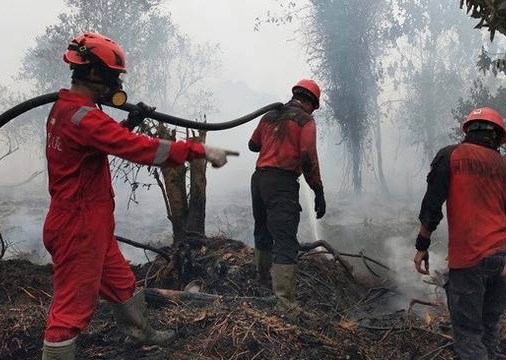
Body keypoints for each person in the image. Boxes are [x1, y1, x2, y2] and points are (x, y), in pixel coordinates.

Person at [42, 32, 236, 359]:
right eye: (113, 76)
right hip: (79, 227)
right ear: (94, 73)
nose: (116, 83)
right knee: (71, 310)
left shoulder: (69, 109)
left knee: (121, 283)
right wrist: (198, 149)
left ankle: (141, 335)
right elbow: (140, 149)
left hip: (89, 222)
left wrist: (130, 121)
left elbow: (100, 141)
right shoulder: (84, 117)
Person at [413, 107, 506, 360]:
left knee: (469, 335)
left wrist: (421, 244)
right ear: (498, 138)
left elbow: (432, 206)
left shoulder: (451, 155)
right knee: (489, 329)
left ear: (469, 130)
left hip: (470, 260)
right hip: (505, 260)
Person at [249, 79, 325, 312]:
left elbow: (253, 145)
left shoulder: (271, 115)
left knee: (262, 230)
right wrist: (318, 191)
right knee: (285, 240)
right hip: (281, 183)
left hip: (259, 180)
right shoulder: (306, 121)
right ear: (311, 102)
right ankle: (284, 303)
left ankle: (261, 283)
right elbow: (307, 157)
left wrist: (275, 137)